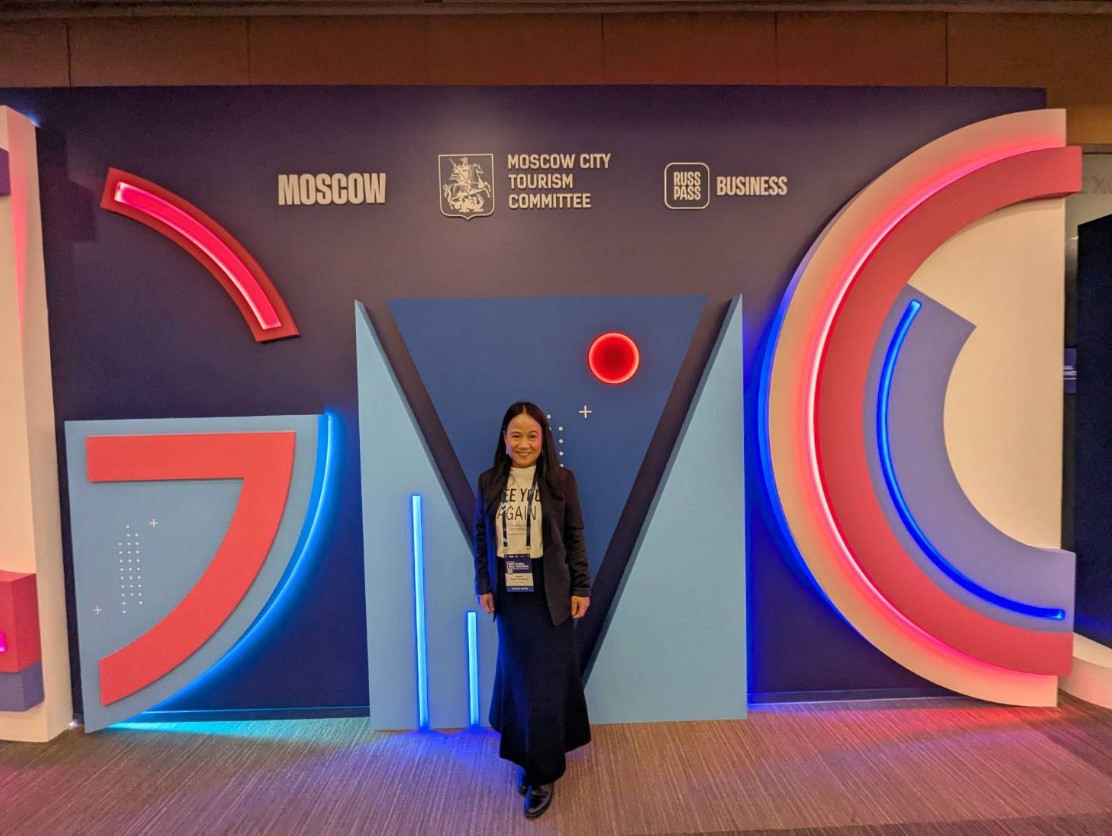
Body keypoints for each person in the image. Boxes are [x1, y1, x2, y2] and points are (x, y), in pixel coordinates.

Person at [473, 401, 592, 819]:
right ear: (504, 439)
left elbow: (575, 536)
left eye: (532, 435)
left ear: (543, 440)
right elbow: (481, 536)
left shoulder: (562, 481)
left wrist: (582, 586)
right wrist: (483, 584)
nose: (524, 443)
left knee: (545, 684)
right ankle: (529, 756)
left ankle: (543, 773)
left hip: (550, 593)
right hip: (510, 594)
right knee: (519, 681)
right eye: (516, 435)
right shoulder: (489, 481)